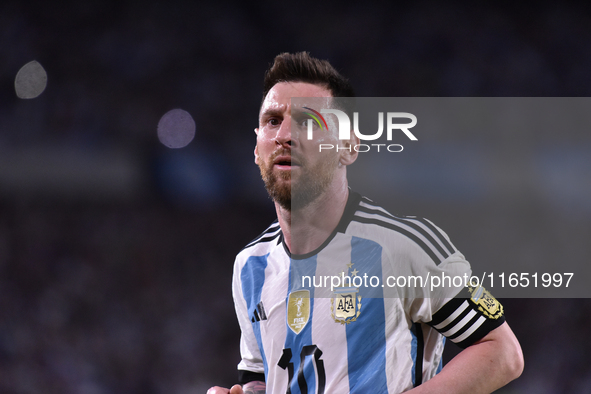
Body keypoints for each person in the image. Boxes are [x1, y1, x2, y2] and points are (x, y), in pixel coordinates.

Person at [208, 52, 523, 394]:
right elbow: (260, 376)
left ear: (348, 147)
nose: (285, 134)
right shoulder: (249, 266)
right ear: (257, 148)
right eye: (272, 120)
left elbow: (503, 353)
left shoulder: (404, 245)